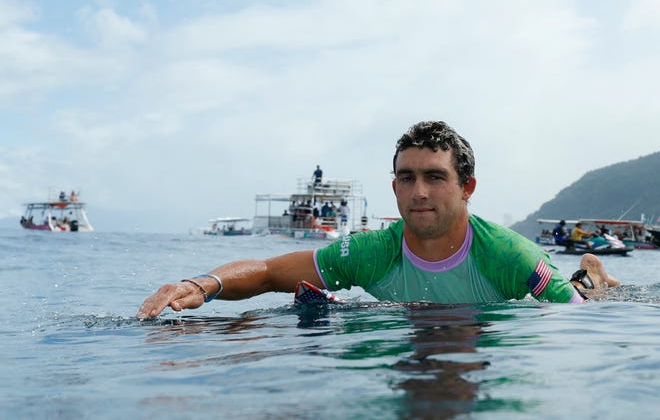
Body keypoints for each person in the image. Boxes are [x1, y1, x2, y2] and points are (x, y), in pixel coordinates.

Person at [137, 121, 602, 319]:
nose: (418, 191)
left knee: (590, 291)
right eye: (406, 177)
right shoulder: (371, 252)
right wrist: (202, 285)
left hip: (526, 309)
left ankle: (596, 272)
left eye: (435, 177)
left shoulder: (508, 254)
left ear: (467, 188)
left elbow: (579, 322)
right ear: (394, 185)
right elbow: (269, 273)